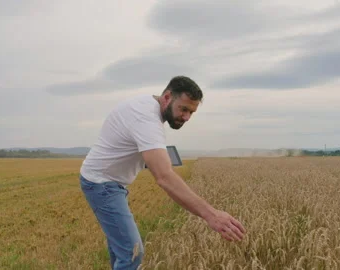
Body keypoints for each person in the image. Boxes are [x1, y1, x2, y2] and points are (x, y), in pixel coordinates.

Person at [79, 76, 246, 269]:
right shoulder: (146, 119)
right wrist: (212, 215)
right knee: (132, 252)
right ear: (167, 97)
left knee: (121, 251)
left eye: (191, 112)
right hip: (102, 184)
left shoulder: (147, 109)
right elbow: (164, 177)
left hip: (110, 183)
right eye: (183, 109)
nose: (186, 117)